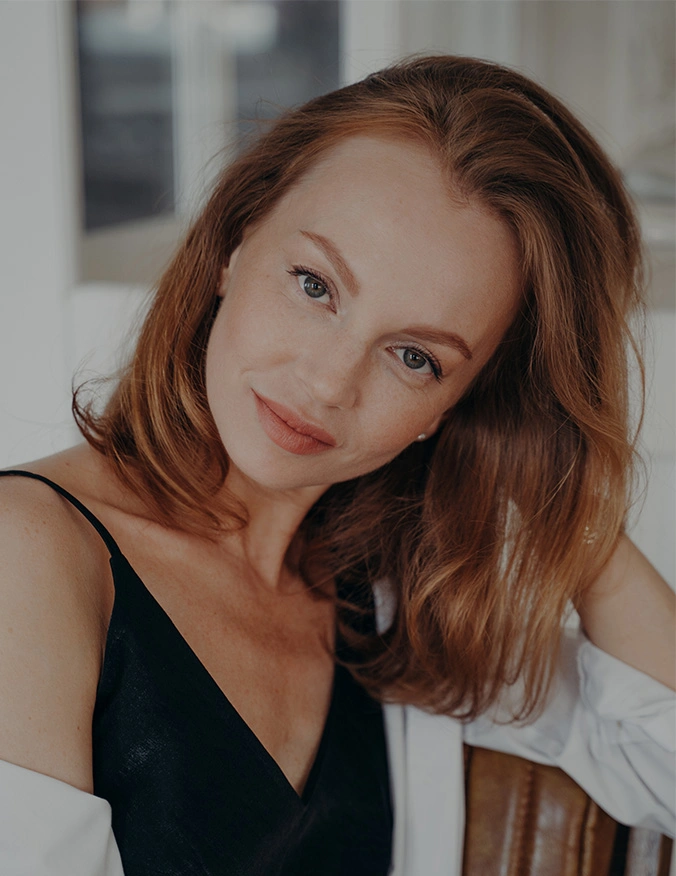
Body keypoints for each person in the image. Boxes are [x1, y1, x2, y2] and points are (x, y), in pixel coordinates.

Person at [0, 56, 673, 876]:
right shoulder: (29, 554)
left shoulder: (397, 608)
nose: (326, 384)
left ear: (462, 405)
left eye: (415, 357)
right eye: (314, 284)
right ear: (234, 242)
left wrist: (563, 493)